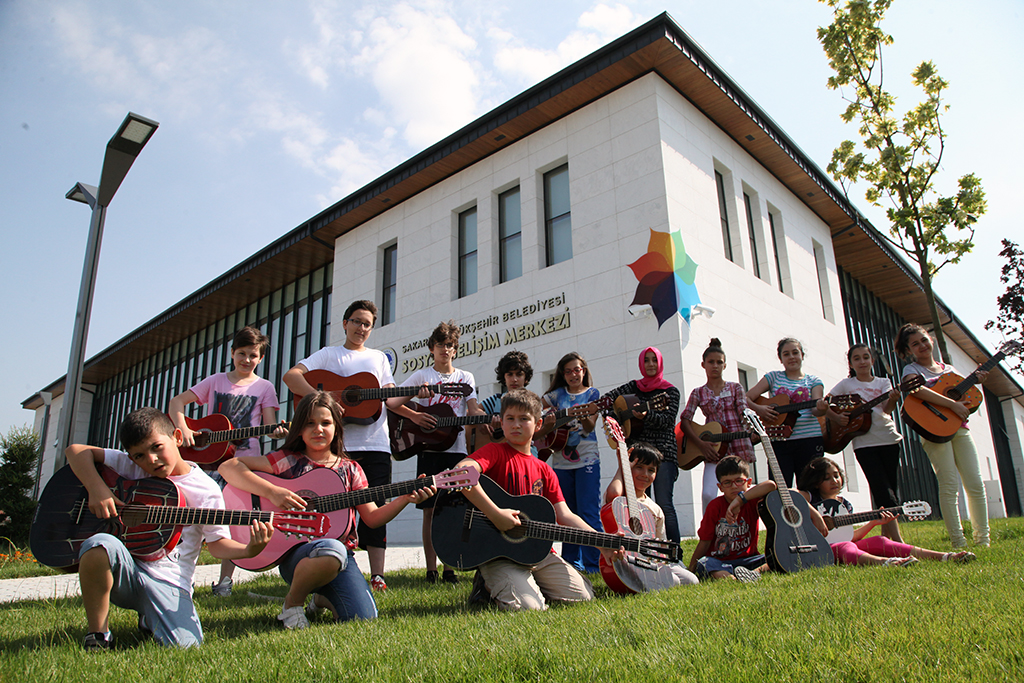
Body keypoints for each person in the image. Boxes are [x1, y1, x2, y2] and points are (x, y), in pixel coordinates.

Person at [218, 392, 436, 629]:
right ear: (299, 428)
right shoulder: (287, 461)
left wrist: (404, 499)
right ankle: (292, 605)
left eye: (326, 423)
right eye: (310, 423)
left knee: (363, 618)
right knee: (332, 548)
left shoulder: (351, 469)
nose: (318, 429)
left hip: (340, 559)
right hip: (296, 555)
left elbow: (372, 519)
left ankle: (321, 597)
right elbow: (229, 466)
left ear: (337, 427)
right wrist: (273, 492)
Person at [66, 408, 273, 649]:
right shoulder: (132, 468)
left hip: (171, 581)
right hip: (129, 571)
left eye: (156, 447)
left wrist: (249, 550)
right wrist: (97, 489)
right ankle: (99, 635)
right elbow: (75, 451)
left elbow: (217, 544)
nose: (150, 460)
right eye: (139, 455)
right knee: (98, 544)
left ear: (176, 437)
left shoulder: (205, 489)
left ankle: (149, 618)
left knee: (186, 647)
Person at [454, 389, 620, 611]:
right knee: (530, 608)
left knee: (583, 597)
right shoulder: (493, 452)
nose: (516, 425)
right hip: (499, 553)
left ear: (538, 424)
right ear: (501, 423)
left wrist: (601, 542)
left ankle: (528, 582)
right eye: (510, 419)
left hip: (539, 552)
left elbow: (564, 515)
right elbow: (460, 473)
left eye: (524, 419)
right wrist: (496, 514)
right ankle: (486, 584)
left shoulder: (544, 469)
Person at [283, 300, 395, 590]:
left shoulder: (379, 359)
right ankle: (339, 567)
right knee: (338, 511)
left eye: (367, 324)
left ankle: (378, 575)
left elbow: (391, 395)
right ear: (345, 323)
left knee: (376, 507)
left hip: (376, 445)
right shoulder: (329, 355)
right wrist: (323, 402)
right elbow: (291, 376)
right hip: (337, 449)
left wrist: (414, 397)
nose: (361, 328)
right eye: (356, 321)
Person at [168, 325, 287, 596]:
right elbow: (177, 401)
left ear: (261, 358)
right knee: (191, 517)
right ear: (232, 353)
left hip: (241, 466)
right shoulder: (215, 381)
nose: (247, 360)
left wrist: (278, 431)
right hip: (207, 464)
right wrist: (183, 428)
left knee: (230, 520)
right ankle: (177, 576)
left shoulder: (265, 387)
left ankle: (224, 582)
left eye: (253, 355)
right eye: (242, 353)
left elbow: (270, 427)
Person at [387, 320, 484, 584]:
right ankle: (431, 569)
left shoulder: (466, 378)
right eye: (440, 344)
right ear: (432, 348)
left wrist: (490, 418)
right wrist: (415, 417)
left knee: (452, 510)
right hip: (430, 450)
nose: (445, 349)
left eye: (450, 345)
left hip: (457, 450)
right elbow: (392, 402)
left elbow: (473, 409)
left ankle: (449, 566)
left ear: (455, 349)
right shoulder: (422, 376)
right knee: (429, 508)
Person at [896, 323, 990, 548]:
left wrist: (977, 381)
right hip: (933, 432)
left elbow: (968, 401)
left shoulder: (949, 370)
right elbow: (916, 390)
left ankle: (983, 540)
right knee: (949, 485)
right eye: (915, 344)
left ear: (932, 340)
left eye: (924, 340)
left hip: (960, 429)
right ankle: (958, 542)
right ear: (909, 350)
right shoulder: (911, 370)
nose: (922, 346)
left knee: (975, 484)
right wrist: (951, 404)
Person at [797, 457, 976, 566]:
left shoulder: (845, 505)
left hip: (840, 546)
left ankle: (945, 557)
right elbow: (789, 494)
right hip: (817, 550)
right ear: (815, 482)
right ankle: (887, 563)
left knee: (880, 540)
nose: (834, 480)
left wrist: (874, 523)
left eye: (836, 475)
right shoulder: (811, 497)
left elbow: (849, 536)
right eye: (826, 478)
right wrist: (816, 516)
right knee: (847, 547)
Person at [823, 344, 905, 542]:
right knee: (882, 490)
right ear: (851, 363)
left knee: (890, 489)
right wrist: (836, 418)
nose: (862, 361)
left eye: (866, 357)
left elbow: (887, 409)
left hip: (888, 438)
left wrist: (894, 398)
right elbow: (825, 403)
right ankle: (898, 541)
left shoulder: (884, 382)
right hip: (864, 443)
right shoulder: (846, 384)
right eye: (857, 358)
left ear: (872, 361)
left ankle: (887, 537)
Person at [602, 347, 682, 544]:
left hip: (663, 454)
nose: (651, 364)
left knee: (663, 503)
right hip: (636, 453)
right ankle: (639, 548)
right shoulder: (633, 387)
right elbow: (606, 401)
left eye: (654, 360)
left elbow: (668, 420)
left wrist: (647, 416)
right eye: (646, 360)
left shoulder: (670, 391)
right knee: (634, 504)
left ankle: (674, 553)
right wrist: (616, 420)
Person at [603, 442, 698, 586]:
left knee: (692, 580)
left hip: (650, 560)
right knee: (674, 582)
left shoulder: (655, 509)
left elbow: (660, 545)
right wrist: (622, 467)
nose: (645, 474)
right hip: (624, 559)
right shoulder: (620, 499)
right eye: (639, 467)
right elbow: (614, 494)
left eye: (651, 470)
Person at [541, 352, 602, 573]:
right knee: (567, 514)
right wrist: (549, 420)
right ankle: (571, 563)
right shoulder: (556, 395)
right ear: (563, 375)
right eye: (568, 371)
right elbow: (538, 416)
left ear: (583, 371)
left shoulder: (593, 394)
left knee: (588, 512)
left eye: (577, 369)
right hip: (560, 463)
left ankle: (593, 564)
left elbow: (589, 427)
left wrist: (583, 414)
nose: (573, 374)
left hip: (587, 461)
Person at [679, 338, 756, 514]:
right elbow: (685, 420)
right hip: (712, 449)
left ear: (725, 365)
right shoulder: (698, 392)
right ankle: (711, 531)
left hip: (738, 446)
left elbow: (743, 411)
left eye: (719, 362)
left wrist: (751, 430)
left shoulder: (736, 388)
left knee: (741, 492)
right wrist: (701, 444)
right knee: (708, 494)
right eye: (711, 362)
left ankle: (742, 529)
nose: (715, 366)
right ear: (703, 364)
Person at [747, 337, 827, 488]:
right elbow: (746, 398)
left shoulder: (813, 381)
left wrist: (822, 408)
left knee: (811, 488)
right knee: (780, 489)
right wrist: (761, 409)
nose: (791, 357)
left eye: (795, 353)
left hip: (809, 440)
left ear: (802, 355)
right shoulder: (773, 377)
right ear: (781, 359)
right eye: (786, 354)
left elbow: (816, 409)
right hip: (779, 441)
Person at [688, 456, 776, 583]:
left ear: (749, 482)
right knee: (704, 563)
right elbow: (705, 541)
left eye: (739, 481)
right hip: (720, 561)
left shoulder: (752, 501)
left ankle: (753, 574)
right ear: (720, 487)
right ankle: (733, 579)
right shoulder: (715, 506)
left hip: (749, 559)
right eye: (727, 483)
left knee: (774, 557)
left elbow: (771, 486)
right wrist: (691, 569)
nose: (734, 486)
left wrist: (740, 500)